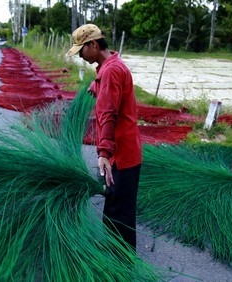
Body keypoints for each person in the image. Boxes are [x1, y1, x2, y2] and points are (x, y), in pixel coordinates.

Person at [66, 24, 142, 251]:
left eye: (81, 50)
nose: (80, 56)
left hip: (121, 155)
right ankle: (117, 256)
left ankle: (122, 263)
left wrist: (104, 154)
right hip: (126, 151)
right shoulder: (109, 67)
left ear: (94, 44)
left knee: (119, 214)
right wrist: (96, 83)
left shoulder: (110, 71)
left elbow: (109, 114)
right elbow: (109, 83)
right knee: (116, 208)